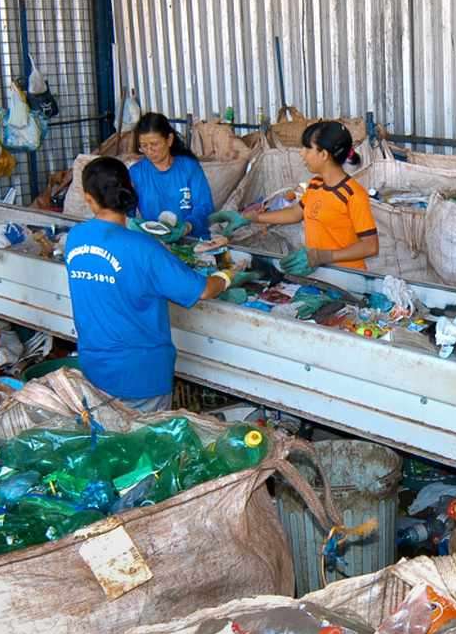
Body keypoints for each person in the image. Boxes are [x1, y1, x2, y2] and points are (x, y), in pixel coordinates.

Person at [66, 157, 228, 412]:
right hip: (142, 375)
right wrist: (227, 276)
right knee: (145, 447)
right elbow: (204, 290)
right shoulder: (144, 248)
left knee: (109, 445)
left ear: (88, 198)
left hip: (95, 369)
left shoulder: (75, 239)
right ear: (129, 188)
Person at [213, 120, 377, 275]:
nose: (301, 153)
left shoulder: (354, 194)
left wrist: (322, 256)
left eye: (307, 148)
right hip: (317, 272)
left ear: (324, 154)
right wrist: (250, 217)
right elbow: (295, 213)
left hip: (347, 276)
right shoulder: (316, 184)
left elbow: (370, 246)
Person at [128, 112, 215, 238]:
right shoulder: (136, 173)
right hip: (157, 242)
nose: (149, 151)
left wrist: (187, 226)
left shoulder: (189, 167)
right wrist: (131, 224)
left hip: (193, 240)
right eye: (144, 146)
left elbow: (204, 206)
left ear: (169, 140)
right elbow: (126, 210)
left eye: (154, 144)